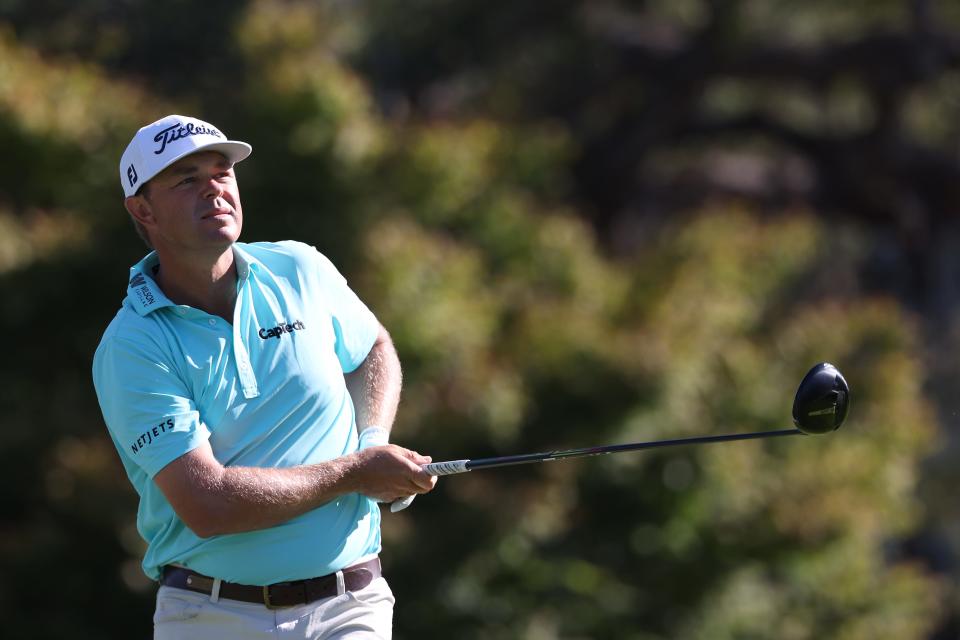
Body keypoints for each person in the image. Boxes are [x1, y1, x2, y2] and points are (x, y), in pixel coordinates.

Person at [92, 114, 436, 639]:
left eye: (222, 172)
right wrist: (357, 472)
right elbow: (207, 503)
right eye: (187, 180)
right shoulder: (133, 345)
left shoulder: (300, 269)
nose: (215, 189)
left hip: (350, 606)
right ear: (143, 210)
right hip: (211, 614)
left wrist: (374, 442)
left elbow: (372, 350)